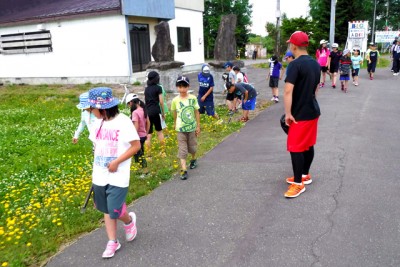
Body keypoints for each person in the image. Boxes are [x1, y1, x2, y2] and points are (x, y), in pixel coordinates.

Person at [88, 87, 141, 258]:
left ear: (102, 108)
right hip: (99, 175)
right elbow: (96, 147)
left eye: (92, 108)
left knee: (115, 210)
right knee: (105, 208)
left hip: (118, 175)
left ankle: (129, 221)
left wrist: (117, 161)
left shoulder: (123, 122)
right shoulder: (96, 123)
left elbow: (136, 146)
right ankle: (112, 241)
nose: (90, 111)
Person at [283, 31, 321, 198]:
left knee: (296, 147)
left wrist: (288, 113)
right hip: (313, 110)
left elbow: (287, 90)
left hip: (300, 114)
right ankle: (305, 175)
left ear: (293, 46)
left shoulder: (294, 64)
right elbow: (316, 88)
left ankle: (298, 183)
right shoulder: (315, 63)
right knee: (308, 144)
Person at [170, 76, 200, 180]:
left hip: (191, 128)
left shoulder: (193, 98)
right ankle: (184, 169)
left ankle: (193, 159)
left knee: (192, 147)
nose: (182, 89)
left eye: (184, 86)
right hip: (180, 129)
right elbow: (174, 113)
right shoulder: (175, 100)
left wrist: (198, 126)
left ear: (188, 87)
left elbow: (196, 112)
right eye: (179, 86)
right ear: (177, 87)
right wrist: (174, 123)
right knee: (182, 149)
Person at [144, 71, 166, 158]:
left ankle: (149, 156)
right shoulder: (158, 88)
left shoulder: (146, 89)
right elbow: (161, 102)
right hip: (156, 111)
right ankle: (163, 152)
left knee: (148, 134)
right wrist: (163, 113)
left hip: (148, 112)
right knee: (159, 132)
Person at [126, 93, 150, 169]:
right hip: (143, 135)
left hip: (137, 136)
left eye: (128, 104)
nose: (129, 106)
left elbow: (136, 126)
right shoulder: (143, 109)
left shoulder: (135, 112)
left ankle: (144, 171)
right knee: (141, 153)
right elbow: (148, 122)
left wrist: (133, 137)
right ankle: (142, 169)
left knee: (139, 155)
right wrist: (146, 133)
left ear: (130, 103)